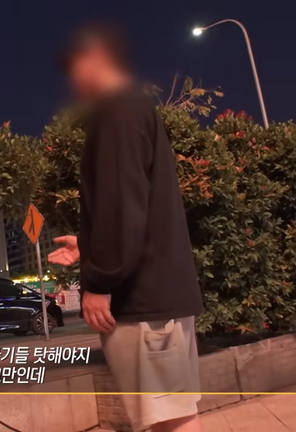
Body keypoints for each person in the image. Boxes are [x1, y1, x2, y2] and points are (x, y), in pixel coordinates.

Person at [48, 24, 205, 432]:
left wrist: (100, 281)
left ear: (97, 58)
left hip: (143, 303)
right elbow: (137, 208)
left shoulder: (117, 112)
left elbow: (120, 204)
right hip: (158, 298)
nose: (73, 82)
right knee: (173, 414)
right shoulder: (133, 109)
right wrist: (89, 246)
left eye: (74, 68)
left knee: (170, 418)